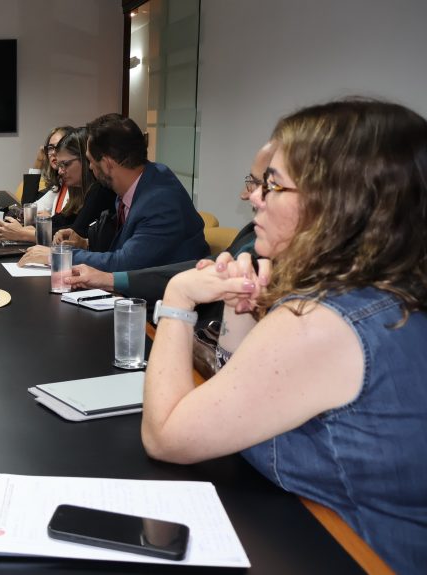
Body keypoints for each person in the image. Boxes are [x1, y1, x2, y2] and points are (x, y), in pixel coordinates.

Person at [141, 99, 427, 573]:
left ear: (336, 202)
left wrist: (178, 298)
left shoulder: (320, 321)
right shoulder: (384, 295)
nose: (253, 197)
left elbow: (166, 436)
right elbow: (234, 397)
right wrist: (242, 306)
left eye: (272, 185)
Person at [64, 141, 275, 327]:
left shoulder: (159, 199)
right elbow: (208, 268)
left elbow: (127, 262)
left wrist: (67, 259)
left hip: (181, 317)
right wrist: (101, 267)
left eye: (266, 184)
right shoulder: (253, 233)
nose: (246, 195)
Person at [18, 114, 208, 270]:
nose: (90, 167)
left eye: (91, 161)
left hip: (164, 298)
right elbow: (127, 246)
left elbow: (125, 263)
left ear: (107, 163)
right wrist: (86, 243)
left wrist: (56, 256)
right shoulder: (139, 182)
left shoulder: (160, 201)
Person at [0, 127, 115, 244]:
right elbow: (60, 220)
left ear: (85, 160)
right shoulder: (70, 187)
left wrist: (23, 234)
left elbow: (75, 234)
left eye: (66, 164)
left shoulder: (100, 191)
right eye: (50, 148)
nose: (60, 171)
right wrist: (23, 230)